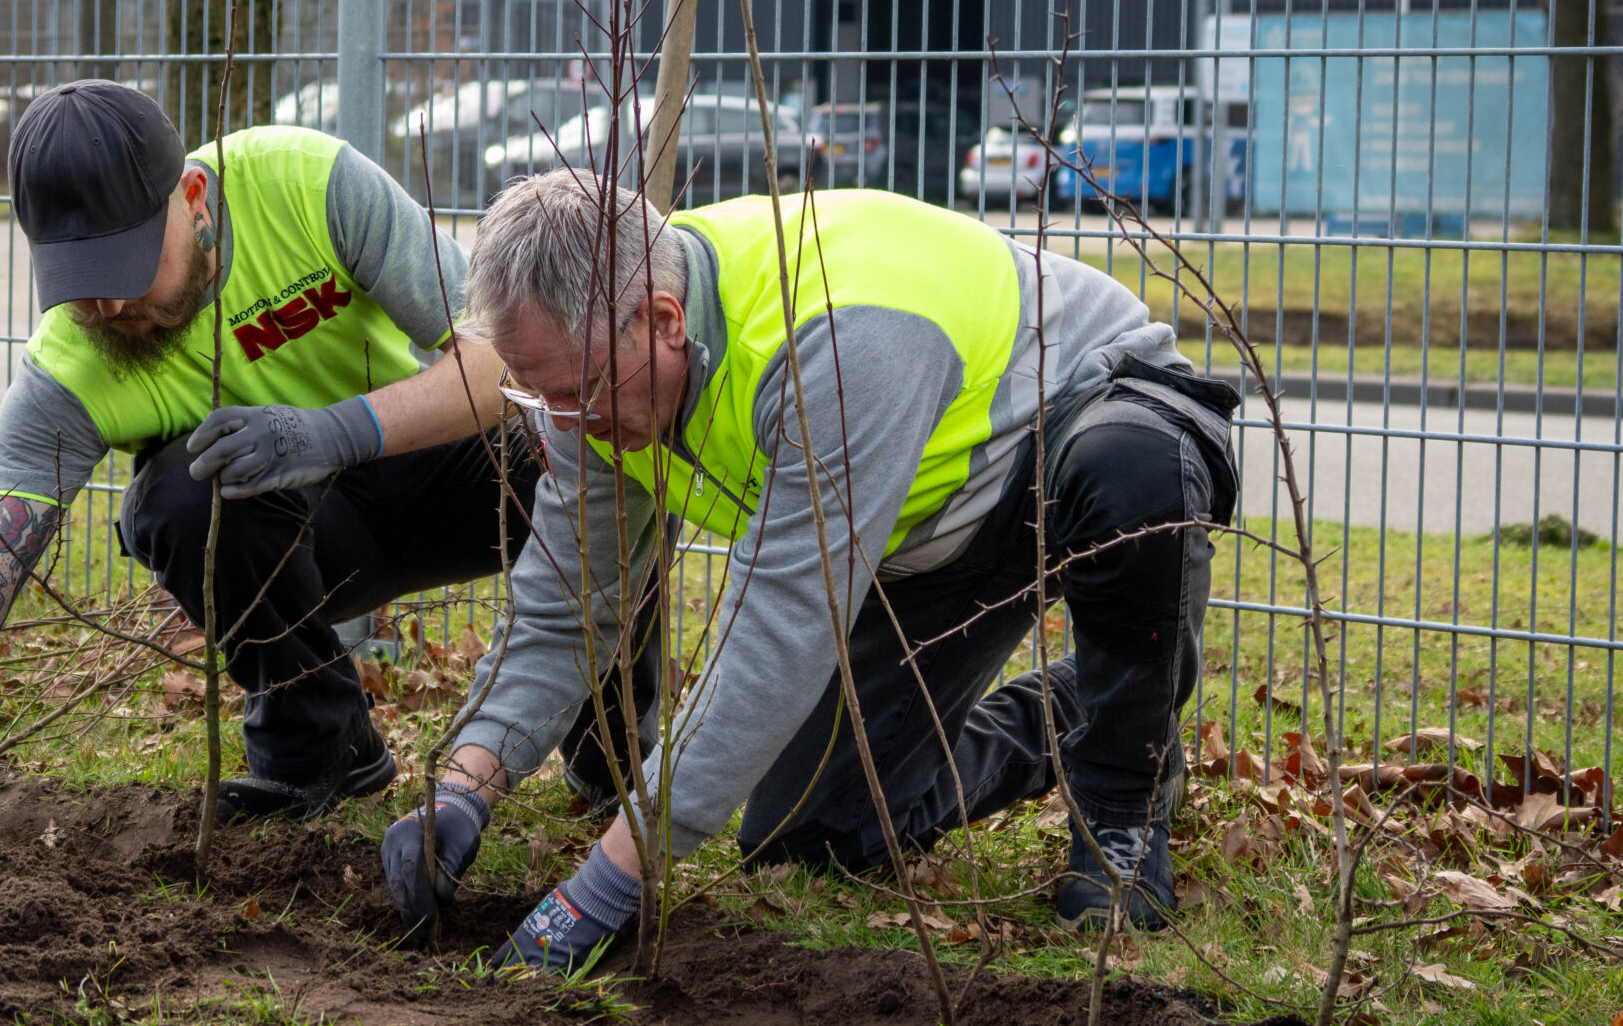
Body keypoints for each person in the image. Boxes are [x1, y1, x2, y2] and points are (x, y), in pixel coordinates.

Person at [0, 83, 653, 848]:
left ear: (195, 197)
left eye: (129, 263)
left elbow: (492, 362)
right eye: (78, 279)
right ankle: (317, 754)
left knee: (583, 430)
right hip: (309, 534)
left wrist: (328, 431)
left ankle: (614, 740)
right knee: (177, 498)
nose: (106, 301)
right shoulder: (68, 371)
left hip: (441, 462)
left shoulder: (306, 182)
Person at [380, 168, 1239, 966]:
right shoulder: (596, 384)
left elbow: (781, 631)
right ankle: (1101, 699)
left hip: (1076, 422)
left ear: (666, 321)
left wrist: (609, 881)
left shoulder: (836, 337)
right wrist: (462, 788)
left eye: (576, 391)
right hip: (919, 538)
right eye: (537, 396)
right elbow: (567, 608)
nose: (560, 421)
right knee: (812, 832)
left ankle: (1124, 805)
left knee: (1132, 470)